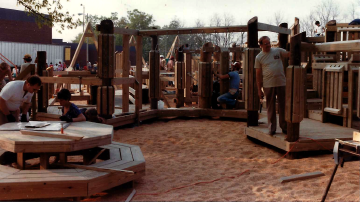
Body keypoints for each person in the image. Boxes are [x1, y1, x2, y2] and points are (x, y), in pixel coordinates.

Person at [255, 36, 290, 135]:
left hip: (281, 83)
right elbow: (258, 74)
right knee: (270, 107)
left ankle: (284, 126)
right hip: (268, 84)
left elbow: (289, 54)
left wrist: (295, 46)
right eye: (265, 44)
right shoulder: (259, 57)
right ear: (261, 45)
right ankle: (272, 128)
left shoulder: (277, 51)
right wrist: (259, 89)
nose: (268, 45)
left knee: (283, 106)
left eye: (269, 43)